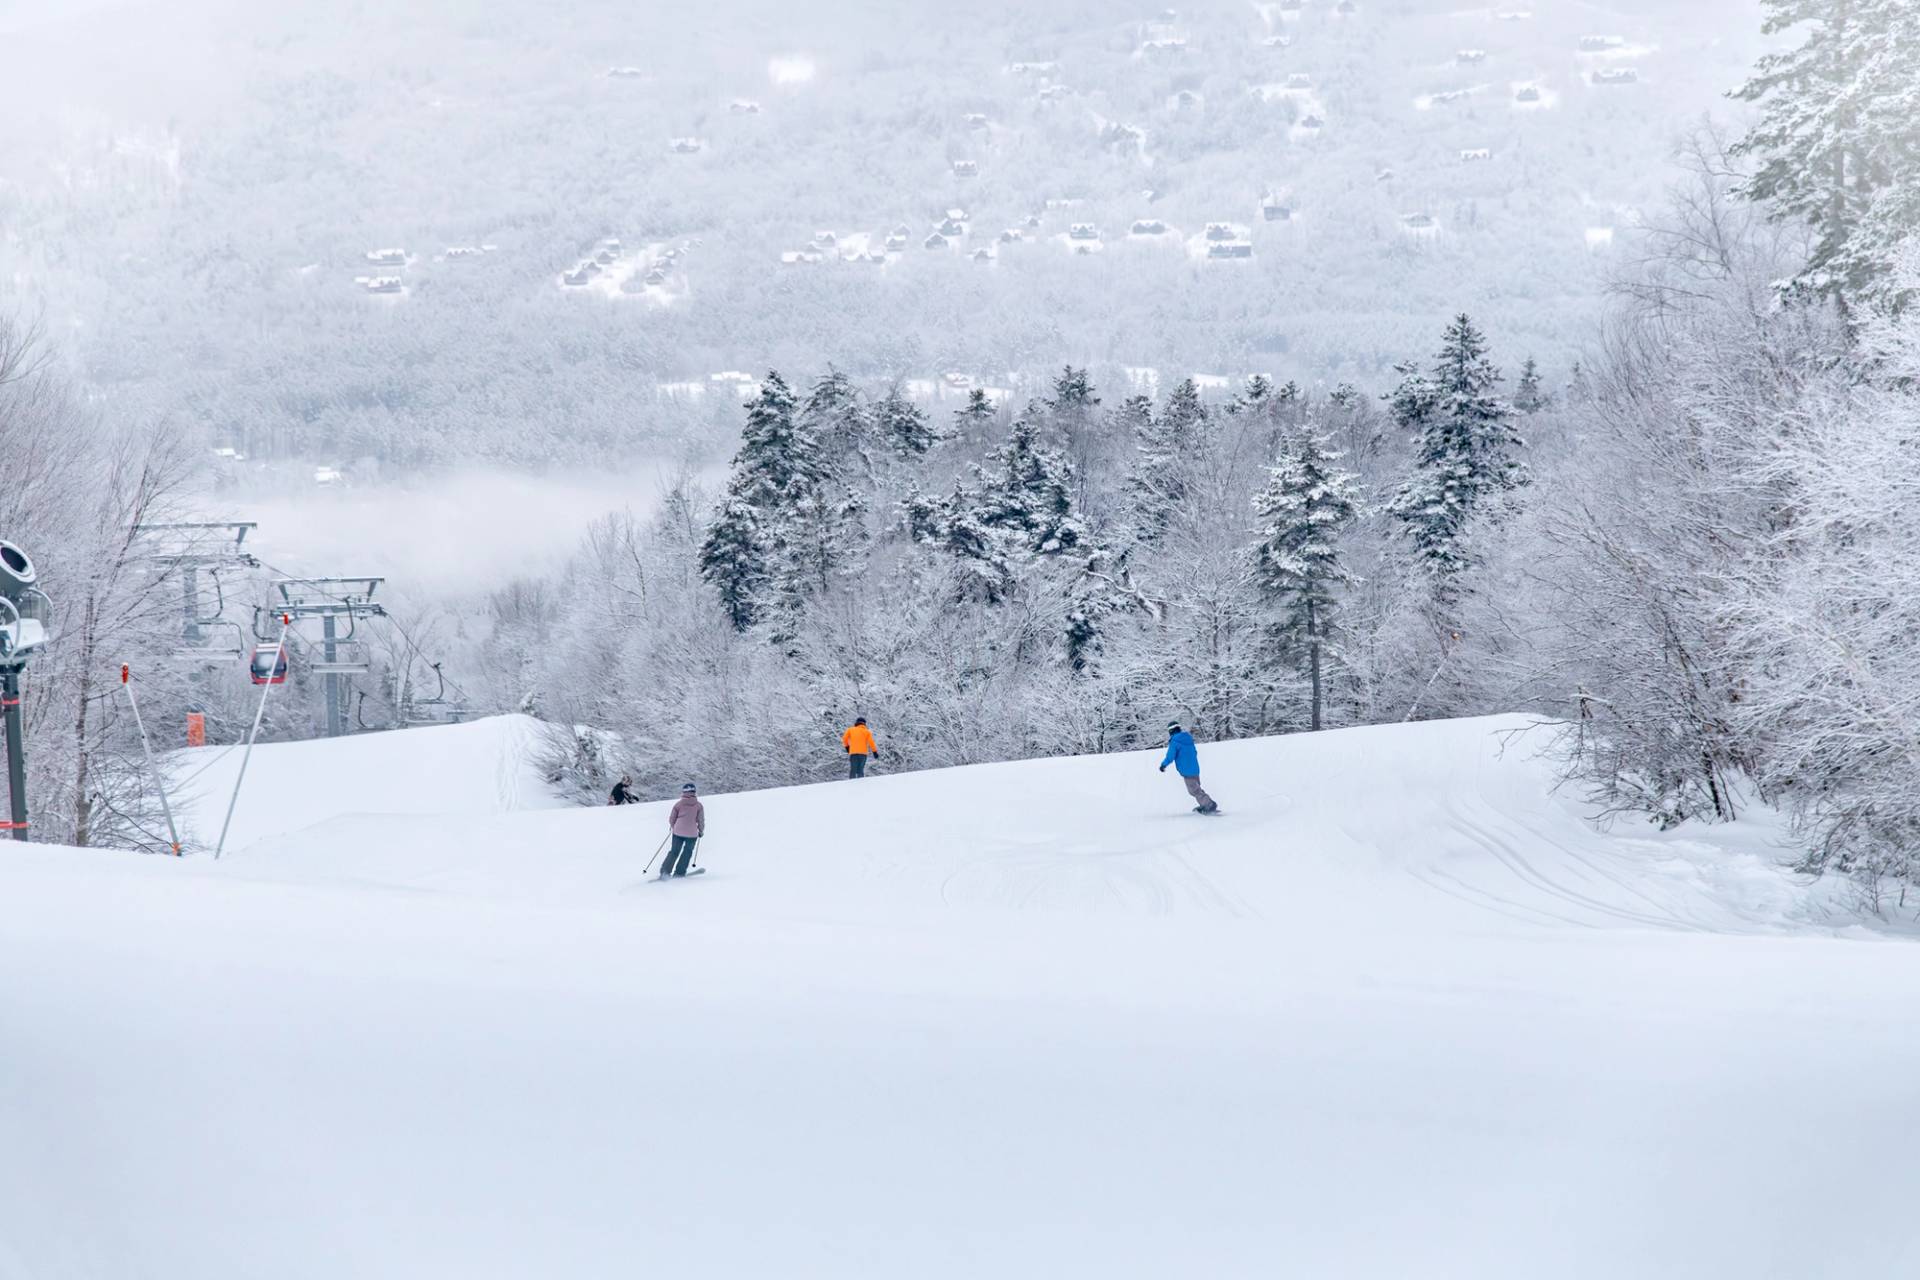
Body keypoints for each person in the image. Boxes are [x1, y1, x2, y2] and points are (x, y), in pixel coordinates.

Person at [1158, 721, 1218, 814]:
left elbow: (1170, 756)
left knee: (1193, 790)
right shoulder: (1188, 739)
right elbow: (1194, 752)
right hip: (1195, 768)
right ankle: (1205, 804)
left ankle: (1209, 804)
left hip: (1186, 770)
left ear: (1171, 731)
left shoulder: (1174, 741)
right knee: (1197, 788)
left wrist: (1163, 765)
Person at [661, 782, 704, 877]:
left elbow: (672, 818)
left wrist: (674, 827)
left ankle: (665, 872)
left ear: (684, 792)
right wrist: (700, 831)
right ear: (694, 792)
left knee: (674, 851)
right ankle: (680, 872)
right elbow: (701, 820)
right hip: (692, 834)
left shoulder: (678, 804)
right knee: (687, 852)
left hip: (678, 832)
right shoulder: (699, 805)